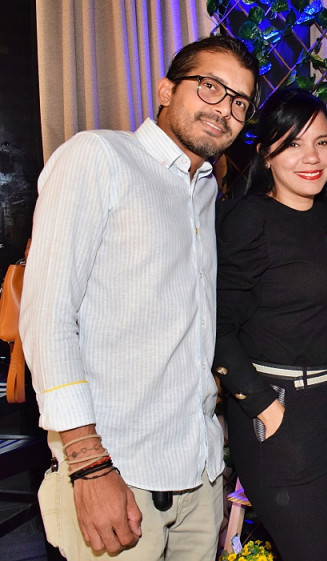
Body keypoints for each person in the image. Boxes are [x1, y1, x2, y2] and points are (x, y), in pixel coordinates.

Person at [19, 35, 258, 560]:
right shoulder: (98, 157)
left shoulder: (203, 191)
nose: (225, 110)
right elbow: (48, 318)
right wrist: (88, 465)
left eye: (240, 101)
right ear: (165, 89)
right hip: (117, 475)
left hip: (199, 475)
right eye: (211, 87)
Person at [213, 87, 327, 561]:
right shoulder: (249, 219)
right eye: (293, 143)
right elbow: (218, 327)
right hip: (285, 415)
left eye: (322, 142)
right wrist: (264, 407)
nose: (311, 157)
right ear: (266, 152)